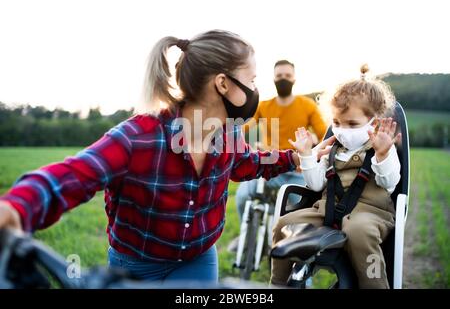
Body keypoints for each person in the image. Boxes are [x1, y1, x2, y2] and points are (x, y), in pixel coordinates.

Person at [0, 30, 308, 286]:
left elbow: (247, 162)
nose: (256, 89)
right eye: (252, 80)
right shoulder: (138, 137)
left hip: (198, 260)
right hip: (135, 266)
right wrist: (16, 206)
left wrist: (294, 158)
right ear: (223, 83)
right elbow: (75, 174)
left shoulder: (229, 134)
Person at [270, 64, 402, 289]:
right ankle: (277, 284)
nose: (342, 130)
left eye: (352, 124)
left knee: (359, 232)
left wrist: (382, 155)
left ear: (375, 123)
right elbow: (315, 184)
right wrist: (307, 156)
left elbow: (389, 183)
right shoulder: (333, 150)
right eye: (337, 123)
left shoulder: (382, 149)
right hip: (326, 211)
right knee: (285, 223)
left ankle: (375, 286)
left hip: (369, 214)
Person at [230, 60, 327, 249]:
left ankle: (296, 248)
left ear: (294, 79)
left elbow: (323, 133)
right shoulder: (263, 106)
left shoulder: (307, 106)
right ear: (273, 78)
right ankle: (245, 238)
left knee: (299, 213)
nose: (283, 79)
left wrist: (312, 144)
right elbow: (244, 126)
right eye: (279, 76)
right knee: (242, 197)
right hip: (268, 166)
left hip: (297, 170)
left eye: (287, 76)